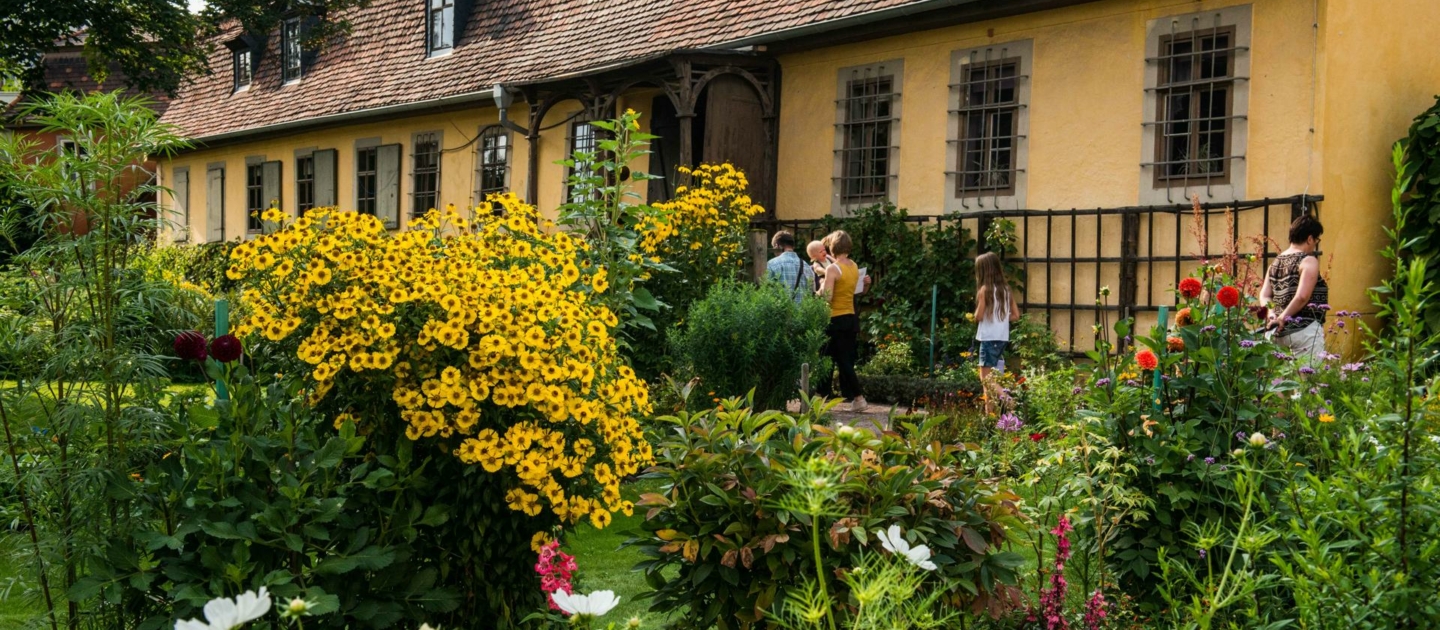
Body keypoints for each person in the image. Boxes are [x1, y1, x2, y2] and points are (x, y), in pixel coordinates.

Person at [1260, 214, 1328, 360]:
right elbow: (1302, 296)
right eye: (1316, 240)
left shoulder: (1276, 263)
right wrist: (1283, 318)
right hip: (1304, 330)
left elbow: (1265, 295)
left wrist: (1272, 315)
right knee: (1308, 381)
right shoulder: (1308, 261)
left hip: (1276, 334)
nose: (1315, 244)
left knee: (1279, 382)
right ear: (1310, 238)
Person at [816, 230, 867, 412]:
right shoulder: (853, 266)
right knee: (833, 357)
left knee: (837, 360)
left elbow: (827, 297)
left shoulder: (833, 268)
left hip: (834, 319)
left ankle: (859, 398)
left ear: (832, 246)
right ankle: (820, 396)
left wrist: (820, 288)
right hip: (850, 317)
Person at [973, 252, 1020, 417]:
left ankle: (1008, 400)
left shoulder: (984, 290)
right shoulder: (1006, 290)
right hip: (1001, 339)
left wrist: (980, 314)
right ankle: (990, 416)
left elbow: (978, 316)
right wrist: (1000, 319)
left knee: (986, 379)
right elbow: (1015, 316)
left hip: (988, 339)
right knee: (990, 380)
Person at [765, 230, 816, 304]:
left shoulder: (772, 264)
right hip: (803, 314)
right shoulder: (807, 267)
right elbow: (811, 293)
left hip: (780, 313)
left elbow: (765, 291)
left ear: (777, 246)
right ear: (793, 246)